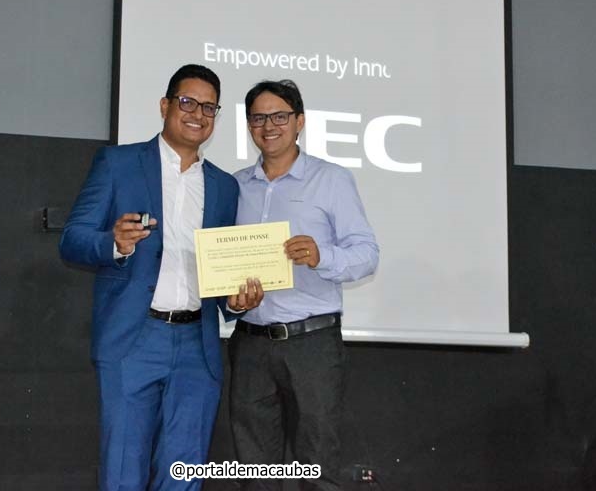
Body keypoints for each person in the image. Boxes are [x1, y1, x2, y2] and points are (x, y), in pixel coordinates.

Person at [59, 64, 262, 491]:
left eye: (209, 107)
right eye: (188, 102)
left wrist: (234, 302)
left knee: (184, 474)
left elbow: (221, 269)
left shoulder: (224, 186)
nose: (198, 114)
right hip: (134, 338)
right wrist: (115, 243)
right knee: (123, 472)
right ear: (165, 106)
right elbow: (73, 239)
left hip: (198, 346)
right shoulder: (119, 164)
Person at [229, 79, 379, 490]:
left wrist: (321, 255)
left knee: (317, 467)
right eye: (258, 118)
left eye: (279, 116)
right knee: (254, 471)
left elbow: (367, 254)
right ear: (248, 125)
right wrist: (233, 300)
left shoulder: (331, 179)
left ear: (300, 121)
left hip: (311, 344)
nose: (269, 126)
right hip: (250, 343)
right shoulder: (235, 185)